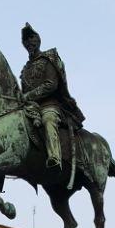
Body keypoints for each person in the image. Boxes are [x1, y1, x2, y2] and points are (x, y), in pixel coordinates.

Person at [19, 23, 85, 169]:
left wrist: (28, 95)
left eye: (31, 38)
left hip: (49, 105)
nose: (29, 42)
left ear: (37, 40)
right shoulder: (25, 69)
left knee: (48, 120)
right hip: (30, 107)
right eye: (26, 40)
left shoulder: (48, 59)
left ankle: (54, 157)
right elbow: (23, 92)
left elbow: (51, 84)